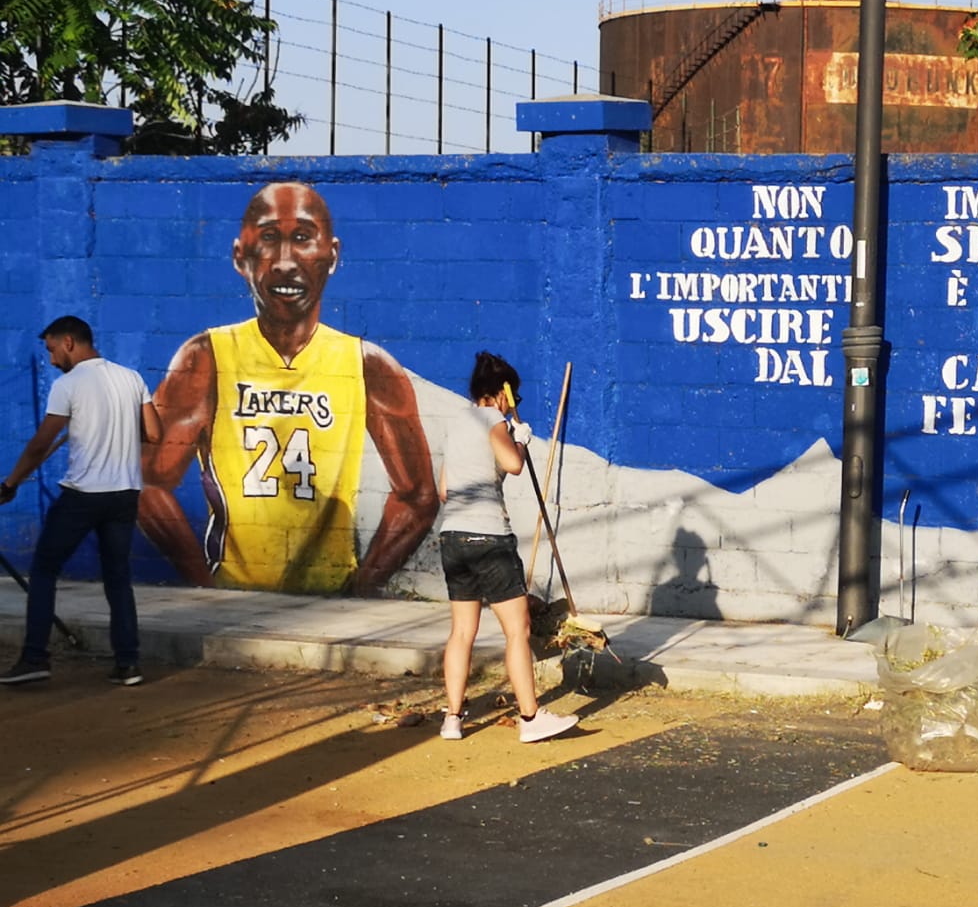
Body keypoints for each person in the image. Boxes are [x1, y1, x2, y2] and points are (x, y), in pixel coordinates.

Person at [139, 180, 438, 596]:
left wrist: (360, 590)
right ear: (240, 256)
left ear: (331, 256)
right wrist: (204, 586)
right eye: (267, 239)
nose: (284, 262)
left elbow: (419, 496)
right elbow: (147, 483)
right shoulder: (208, 357)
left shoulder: (367, 365)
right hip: (235, 592)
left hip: (328, 594)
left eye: (301, 238)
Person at [0, 317, 162, 686]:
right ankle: (128, 663)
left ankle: (35, 657)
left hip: (83, 495)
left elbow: (41, 444)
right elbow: (154, 432)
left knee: (43, 570)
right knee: (118, 579)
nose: (52, 359)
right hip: (124, 495)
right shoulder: (131, 378)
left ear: (69, 342)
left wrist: (10, 483)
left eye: (53, 350)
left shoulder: (67, 384)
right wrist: (116, 424)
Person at [437, 352, 578, 744]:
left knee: (461, 631)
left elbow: (445, 490)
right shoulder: (494, 419)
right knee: (518, 629)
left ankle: (452, 718)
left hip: (453, 537)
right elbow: (513, 465)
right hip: (489, 539)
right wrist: (518, 440)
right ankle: (531, 719)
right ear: (502, 393)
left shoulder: (457, 423)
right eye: (512, 394)